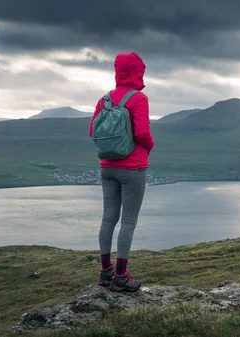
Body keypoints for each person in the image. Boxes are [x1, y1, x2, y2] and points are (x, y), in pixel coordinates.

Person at [88, 52, 154, 292]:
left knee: (108, 217)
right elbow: (142, 133)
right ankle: (121, 276)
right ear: (138, 71)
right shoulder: (139, 99)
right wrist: (151, 145)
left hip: (107, 167)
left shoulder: (104, 99)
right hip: (133, 168)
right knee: (128, 221)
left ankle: (105, 271)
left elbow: (91, 131)